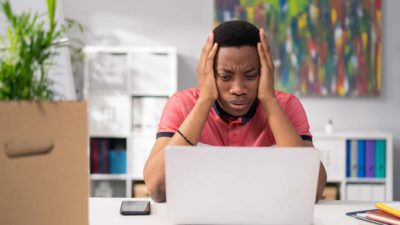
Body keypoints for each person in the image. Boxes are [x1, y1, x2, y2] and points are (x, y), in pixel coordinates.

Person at [144, 20, 327, 203]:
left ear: (265, 72)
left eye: (250, 75)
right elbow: (157, 188)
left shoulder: (286, 106)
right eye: (225, 77)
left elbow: (314, 190)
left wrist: (269, 100)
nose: (238, 88)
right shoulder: (181, 104)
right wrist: (205, 100)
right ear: (208, 73)